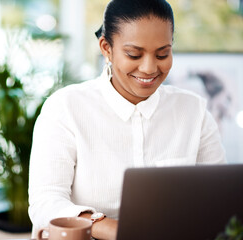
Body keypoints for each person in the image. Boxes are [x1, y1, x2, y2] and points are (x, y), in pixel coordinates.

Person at [28, 0, 226, 239]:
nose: (149, 68)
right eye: (134, 54)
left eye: (163, 54)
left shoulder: (194, 111)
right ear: (106, 48)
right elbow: (45, 203)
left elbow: (219, 201)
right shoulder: (65, 108)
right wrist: (118, 230)